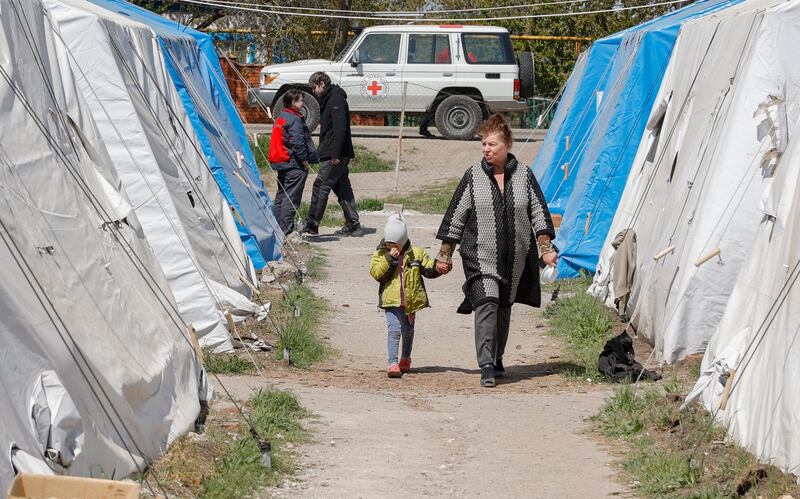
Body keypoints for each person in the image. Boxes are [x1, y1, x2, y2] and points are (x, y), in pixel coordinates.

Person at [434, 114, 558, 388]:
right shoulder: (473, 176)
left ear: (507, 144)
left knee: (503, 306)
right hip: (480, 256)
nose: (487, 150)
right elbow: (455, 216)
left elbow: (538, 211)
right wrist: (444, 255)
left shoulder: (525, 175)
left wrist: (546, 248)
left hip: (514, 258)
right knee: (487, 301)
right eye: (484, 145)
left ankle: (498, 356)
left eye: (492, 144)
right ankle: (486, 364)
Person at [370, 214, 442, 378]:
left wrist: (439, 268)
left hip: (411, 301)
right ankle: (392, 363)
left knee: (408, 331)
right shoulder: (381, 254)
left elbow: (429, 268)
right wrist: (390, 259)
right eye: (388, 244)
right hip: (391, 301)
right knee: (394, 330)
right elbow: (376, 273)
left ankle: (405, 359)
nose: (391, 247)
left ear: (403, 241)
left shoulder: (416, 253)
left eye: (395, 245)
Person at [301, 72, 361, 237]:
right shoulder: (329, 99)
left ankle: (312, 223)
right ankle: (353, 222)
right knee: (342, 187)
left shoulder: (335, 99)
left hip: (335, 154)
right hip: (334, 151)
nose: (313, 91)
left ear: (321, 83)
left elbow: (340, 128)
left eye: (314, 87)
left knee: (320, 186)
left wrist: (335, 154)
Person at [269, 89, 318, 235]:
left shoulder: (282, 116)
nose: (303, 103)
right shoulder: (294, 119)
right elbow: (297, 142)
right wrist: (304, 160)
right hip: (293, 163)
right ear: (293, 102)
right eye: (301, 101)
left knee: (281, 195)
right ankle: (286, 229)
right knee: (291, 197)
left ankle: (277, 227)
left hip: (282, 162)